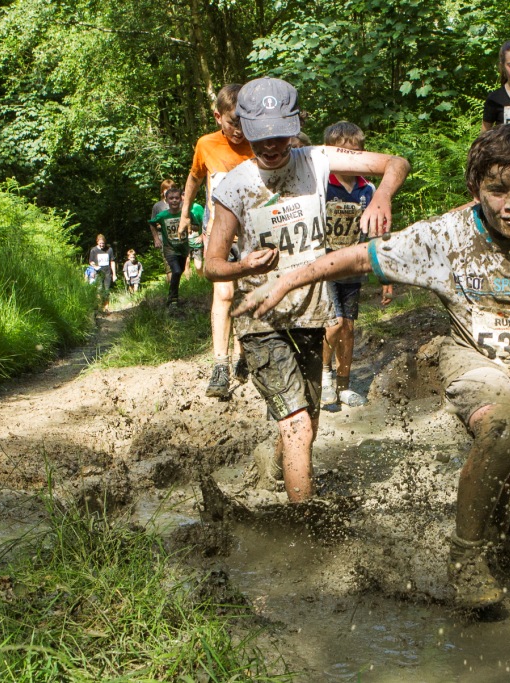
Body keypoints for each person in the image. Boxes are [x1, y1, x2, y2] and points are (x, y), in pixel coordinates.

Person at [235, 125, 510, 608]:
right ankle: (464, 561)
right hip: (470, 362)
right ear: (476, 189)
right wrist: (289, 279)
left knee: (507, 474)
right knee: (502, 426)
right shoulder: (446, 236)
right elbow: (359, 258)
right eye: (498, 190)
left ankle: (490, 544)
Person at [205, 77, 410, 504]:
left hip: (311, 316)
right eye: (262, 137)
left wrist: (382, 199)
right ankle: (304, 524)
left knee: (307, 425)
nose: (272, 146)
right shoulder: (234, 186)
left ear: (294, 127)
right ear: (245, 130)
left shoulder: (317, 159)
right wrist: (244, 265)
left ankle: (275, 466)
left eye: (280, 135)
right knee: (297, 424)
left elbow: (396, 162)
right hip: (261, 320)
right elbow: (212, 264)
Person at [179, 84, 255, 398]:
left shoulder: (259, 143)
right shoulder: (206, 145)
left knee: (247, 294)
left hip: (252, 234)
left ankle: (242, 356)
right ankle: (220, 366)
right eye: (233, 122)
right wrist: (185, 212)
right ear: (217, 117)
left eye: (245, 122)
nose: (239, 130)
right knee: (224, 293)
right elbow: (195, 177)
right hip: (218, 234)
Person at [319, 121, 379, 407]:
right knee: (335, 324)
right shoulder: (322, 185)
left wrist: (382, 271)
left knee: (349, 329)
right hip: (325, 266)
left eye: (356, 153)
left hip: (354, 268)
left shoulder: (368, 188)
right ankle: (324, 377)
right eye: (343, 153)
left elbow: (375, 228)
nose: (350, 160)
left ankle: (344, 384)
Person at [149, 187, 202, 307]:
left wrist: (189, 226)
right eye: (171, 198)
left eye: (177, 198)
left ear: (181, 199)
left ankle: (172, 296)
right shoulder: (162, 215)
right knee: (176, 271)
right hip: (169, 249)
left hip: (183, 248)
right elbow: (152, 224)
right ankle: (173, 299)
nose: (174, 200)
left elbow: (197, 226)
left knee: (180, 271)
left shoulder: (186, 214)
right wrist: (156, 239)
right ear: (166, 200)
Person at [87, 234, 117, 312]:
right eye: (100, 243)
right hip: (98, 272)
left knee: (106, 290)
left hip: (107, 273)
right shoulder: (93, 250)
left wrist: (114, 274)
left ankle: (106, 307)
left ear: (105, 242)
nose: (101, 245)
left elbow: (112, 262)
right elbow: (91, 261)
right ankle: (99, 307)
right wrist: (94, 266)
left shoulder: (109, 250)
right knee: (99, 290)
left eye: (103, 243)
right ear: (97, 242)